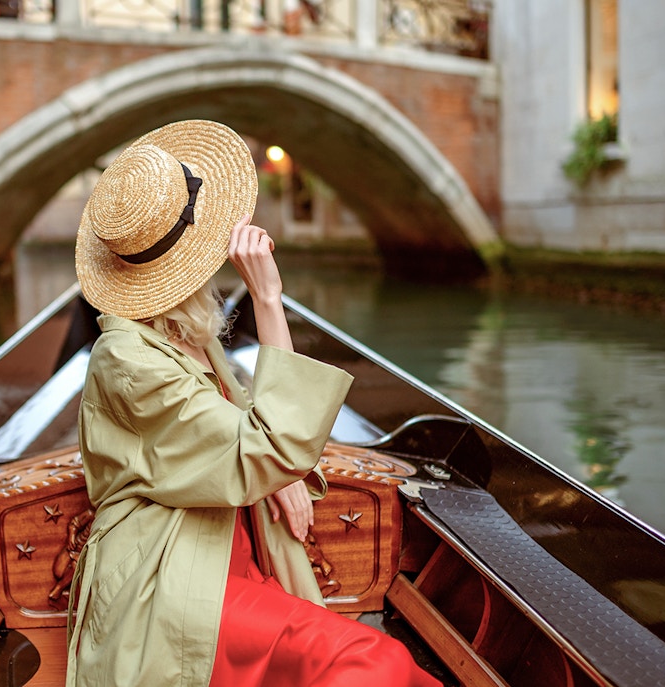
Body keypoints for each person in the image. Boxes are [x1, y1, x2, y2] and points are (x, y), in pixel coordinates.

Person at [67, 119, 438, 687]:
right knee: (375, 661)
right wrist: (268, 297)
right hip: (166, 578)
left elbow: (256, 441)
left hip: (228, 550)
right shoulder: (125, 359)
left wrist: (281, 477)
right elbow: (271, 445)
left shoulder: (181, 330)